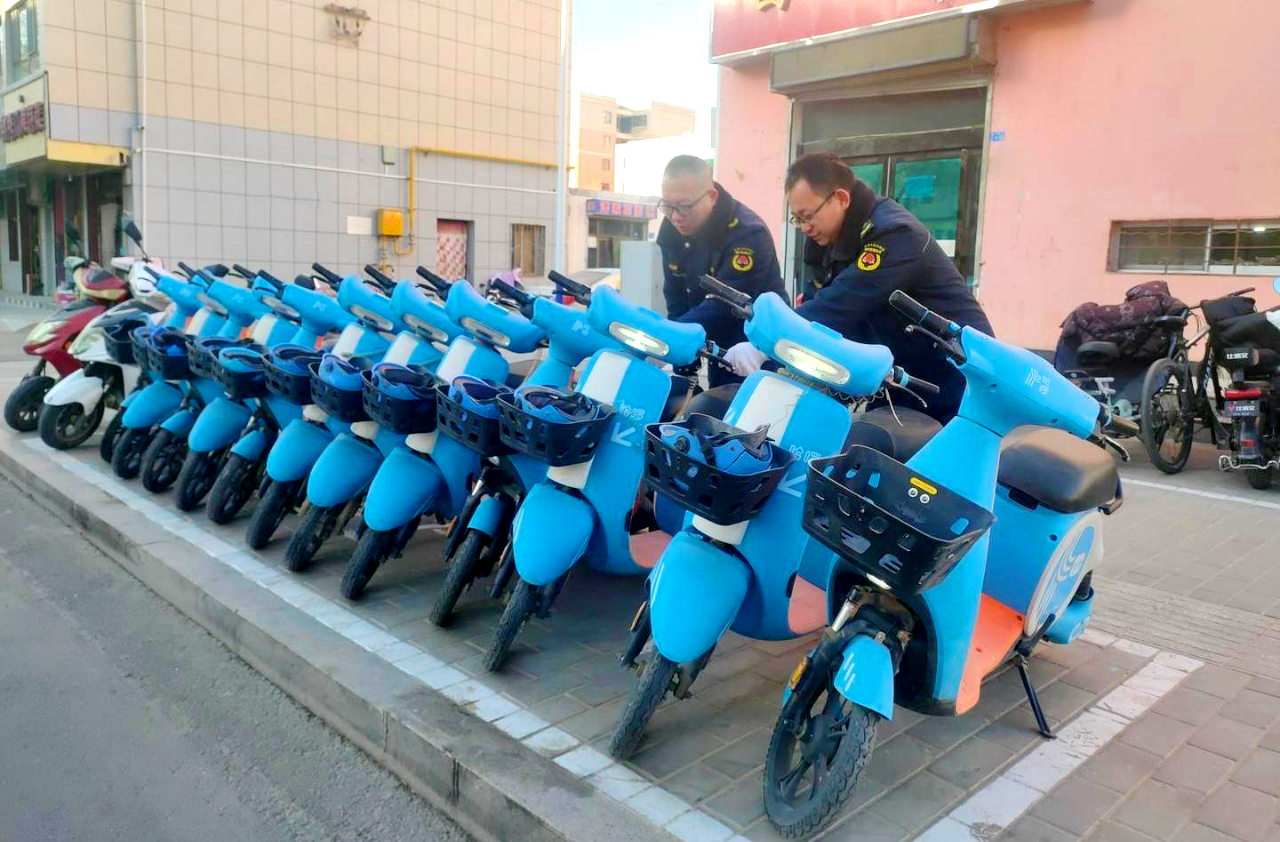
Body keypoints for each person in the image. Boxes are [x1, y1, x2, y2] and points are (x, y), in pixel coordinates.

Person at [723, 152, 993, 421]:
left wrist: (766, 343)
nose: (804, 228)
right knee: (867, 438)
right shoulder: (827, 241)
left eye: (808, 216)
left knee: (909, 444)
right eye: (797, 219)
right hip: (898, 373)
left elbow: (841, 304)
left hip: (958, 376)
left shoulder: (895, 234)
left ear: (841, 198)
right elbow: (820, 311)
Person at [657, 155, 785, 386]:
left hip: (757, 347)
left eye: (684, 206)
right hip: (715, 345)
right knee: (712, 401)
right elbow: (675, 294)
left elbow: (726, 303)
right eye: (667, 206)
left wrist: (671, 335)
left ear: (712, 197)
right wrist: (679, 348)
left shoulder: (746, 232)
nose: (675, 216)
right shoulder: (672, 230)